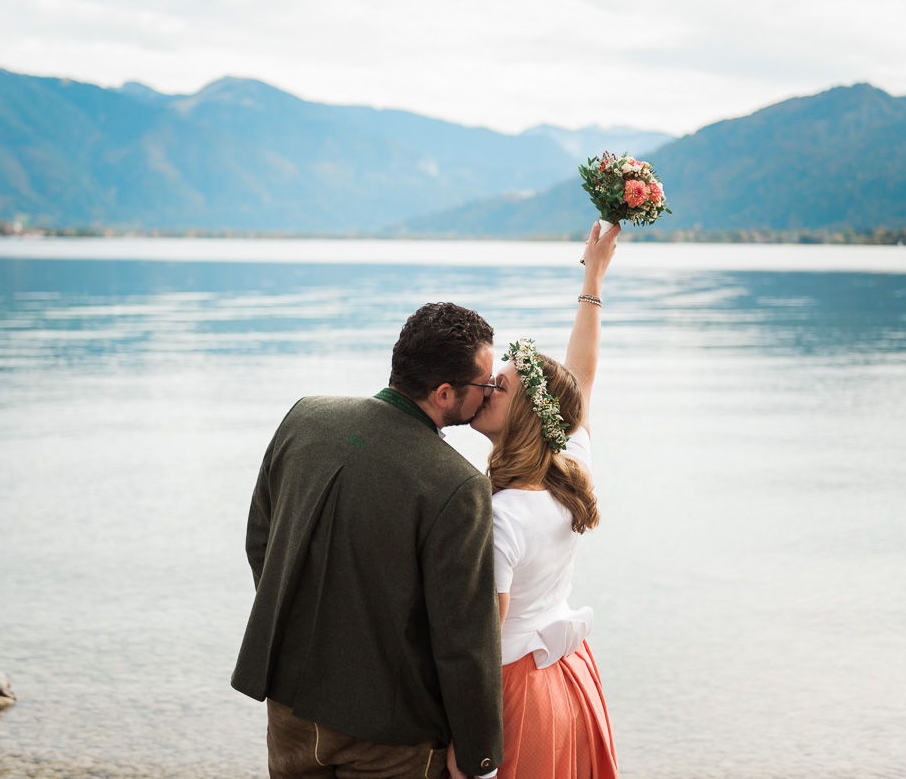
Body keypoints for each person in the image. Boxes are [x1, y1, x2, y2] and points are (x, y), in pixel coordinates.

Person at [231, 302, 505, 779]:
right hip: (390, 732)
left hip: (289, 707)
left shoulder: (305, 417)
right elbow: (463, 640)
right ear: (444, 393)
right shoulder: (458, 486)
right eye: (483, 385)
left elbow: (261, 541)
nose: (488, 394)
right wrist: (478, 750)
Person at [462, 221, 621, 779]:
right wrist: (593, 277)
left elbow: (480, 642)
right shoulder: (567, 465)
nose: (483, 391)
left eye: (498, 388)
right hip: (567, 679)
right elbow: (582, 376)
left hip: (515, 693)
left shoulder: (502, 515)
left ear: (527, 416)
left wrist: (469, 755)